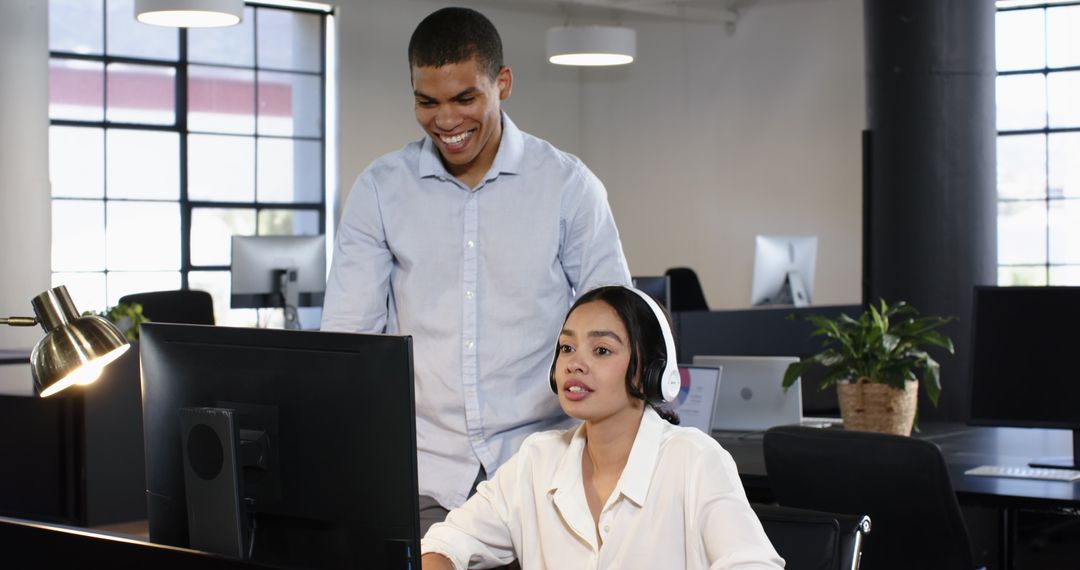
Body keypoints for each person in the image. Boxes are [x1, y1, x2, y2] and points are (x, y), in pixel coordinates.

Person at [320, 7, 631, 533]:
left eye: (465, 98)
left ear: (502, 84)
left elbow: (619, 330)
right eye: (428, 101)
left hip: (546, 473)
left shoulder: (567, 185)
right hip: (424, 475)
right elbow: (349, 345)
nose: (446, 120)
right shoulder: (380, 189)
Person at [421, 286, 786, 569]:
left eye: (601, 350)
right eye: (566, 348)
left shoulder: (695, 461)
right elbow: (447, 540)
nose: (574, 363)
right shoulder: (537, 460)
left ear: (652, 373)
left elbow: (752, 562)